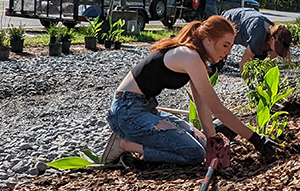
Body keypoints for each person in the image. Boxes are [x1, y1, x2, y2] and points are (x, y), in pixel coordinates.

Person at [102, 16, 277, 165]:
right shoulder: (189, 56)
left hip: (145, 109)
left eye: (230, 46)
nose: (228, 52)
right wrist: (256, 139)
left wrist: (211, 141)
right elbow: (217, 108)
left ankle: (133, 140)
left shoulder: (195, 58)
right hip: (127, 113)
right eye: (225, 45)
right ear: (208, 40)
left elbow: (202, 106)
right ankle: (125, 144)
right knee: (194, 154)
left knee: (200, 144)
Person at [220, 7, 293, 72]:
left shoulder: (275, 32)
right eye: (277, 49)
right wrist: (249, 85)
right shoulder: (259, 35)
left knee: (259, 59)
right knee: (219, 58)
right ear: (272, 39)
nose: (277, 54)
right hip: (230, 20)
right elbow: (244, 63)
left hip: (248, 21)